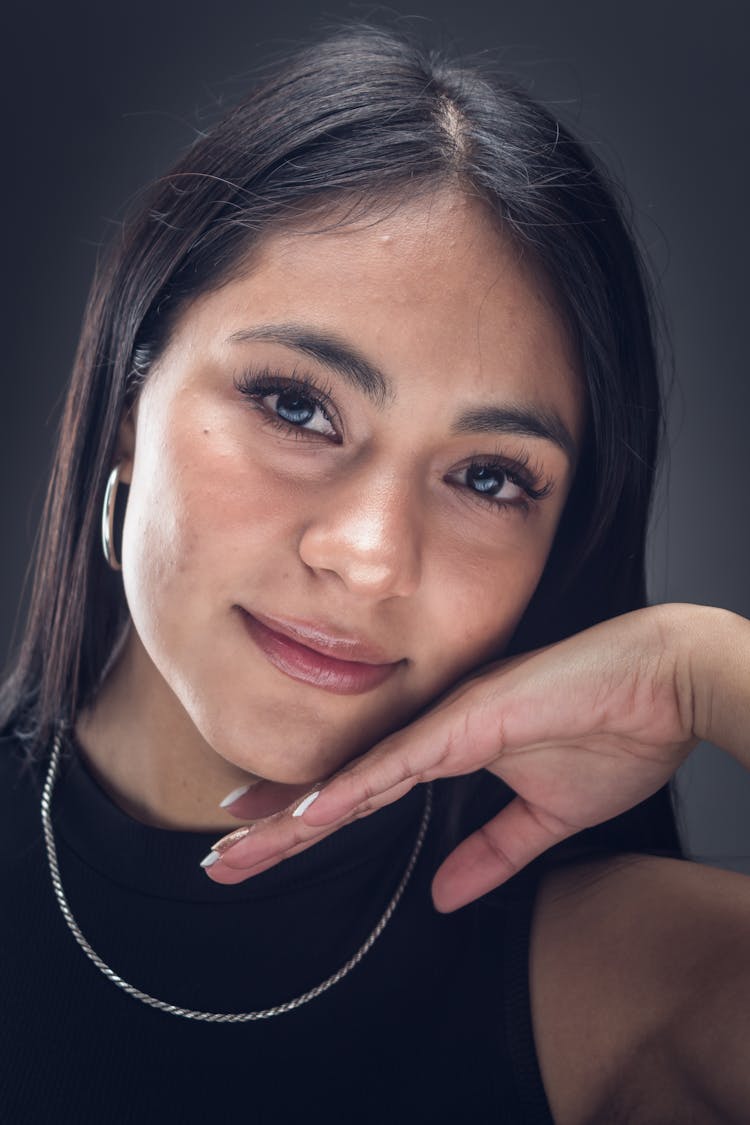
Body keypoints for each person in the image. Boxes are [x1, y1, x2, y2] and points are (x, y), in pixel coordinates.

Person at [1, 22, 748, 1125]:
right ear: (128, 403)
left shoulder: (641, 984)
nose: (370, 556)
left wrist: (709, 671)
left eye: (490, 478)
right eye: (296, 405)